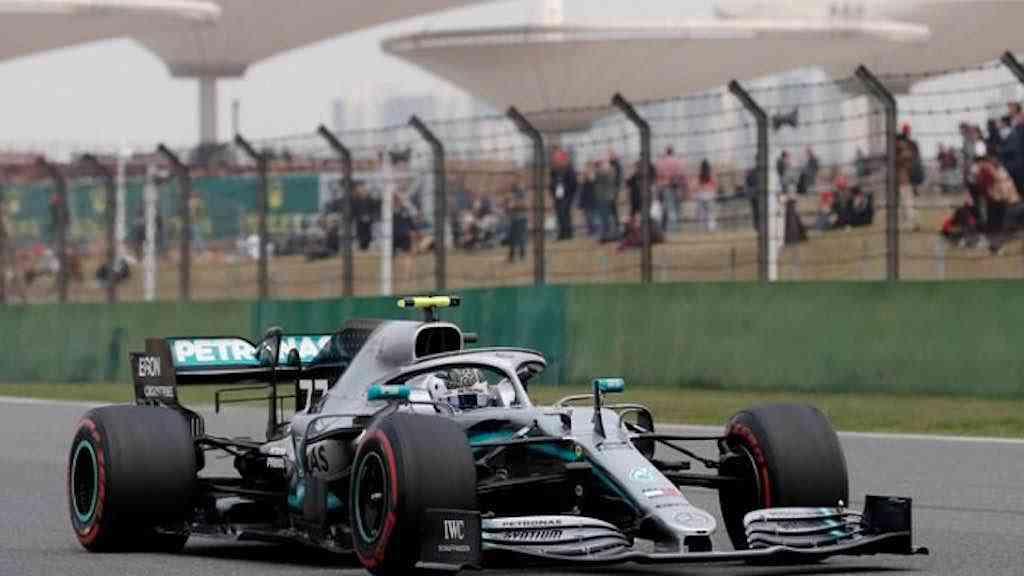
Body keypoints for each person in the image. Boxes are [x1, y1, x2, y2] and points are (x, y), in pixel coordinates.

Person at [654, 146, 686, 231]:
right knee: (676, 208)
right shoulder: (677, 161)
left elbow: (658, 174)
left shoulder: (661, 162)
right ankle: (675, 227)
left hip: (664, 186)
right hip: (676, 186)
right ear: (672, 152)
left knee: (667, 208)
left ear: (666, 152)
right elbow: (681, 175)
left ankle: (668, 227)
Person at [549, 146, 577, 241]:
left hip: (567, 195)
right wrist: (553, 190)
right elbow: (552, 183)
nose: (555, 159)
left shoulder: (569, 168)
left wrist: (567, 191)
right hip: (557, 196)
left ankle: (568, 233)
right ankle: (562, 233)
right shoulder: (554, 170)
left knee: (565, 214)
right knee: (559, 214)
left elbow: (573, 183)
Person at [896, 124, 920, 230]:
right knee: (905, 202)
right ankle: (909, 223)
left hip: (906, 179)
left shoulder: (907, 148)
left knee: (908, 202)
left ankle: (912, 223)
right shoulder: (910, 146)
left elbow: (908, 161)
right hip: (905, 178)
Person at [593, 157, 618, 242]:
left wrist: (597, 170)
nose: (600, 166)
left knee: (605, 217)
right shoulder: (607, 172)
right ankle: (606, 235)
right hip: (604, 197)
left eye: (602, 164)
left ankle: (606, 235)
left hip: (605, 198)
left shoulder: (607, 172)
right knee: (604, 217)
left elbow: (598, 177)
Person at [506, 179, 528, 262]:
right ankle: (511, 256)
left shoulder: (522, 195)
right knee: (512, 237)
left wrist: (514, 205)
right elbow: (509, 206)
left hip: (521, 218)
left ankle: (522, 255)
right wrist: (510, 205)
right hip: (514, 218)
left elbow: (524, 205)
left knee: (521, 237)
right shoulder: (512, 195)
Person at [695, 159, 718, 232]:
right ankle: (711, 228)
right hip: (710, 194)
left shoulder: (700, 174)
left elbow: (697, 185)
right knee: (711, 213)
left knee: (701, 214)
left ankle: (701, 228)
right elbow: (715, 184)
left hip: (701, 195)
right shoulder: (711, 174)